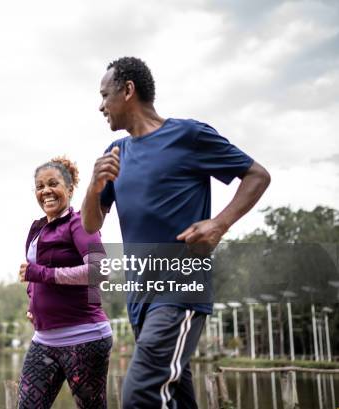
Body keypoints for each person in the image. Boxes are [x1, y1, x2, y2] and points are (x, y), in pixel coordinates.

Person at [81, 57, 271, 409]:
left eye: (104, 95)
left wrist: (219, 223)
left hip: (180, 288)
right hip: (140, 297)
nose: (100, 105)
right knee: (176, 398)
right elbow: (91, 224)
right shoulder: (116, 153)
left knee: (141, 395)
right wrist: (94, 186)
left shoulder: (188, 135)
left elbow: (257, 175)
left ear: (128, 90)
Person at [18, 156, 113, 409]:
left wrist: (43, 274)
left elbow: (100, 270)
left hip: (85, 337)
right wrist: (33, 304)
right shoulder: (38, 228)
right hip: (44, 340)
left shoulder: (80, 223)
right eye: (39, 186)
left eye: (53, 184)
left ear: (70, 189)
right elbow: (33, 275)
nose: (46, 191)